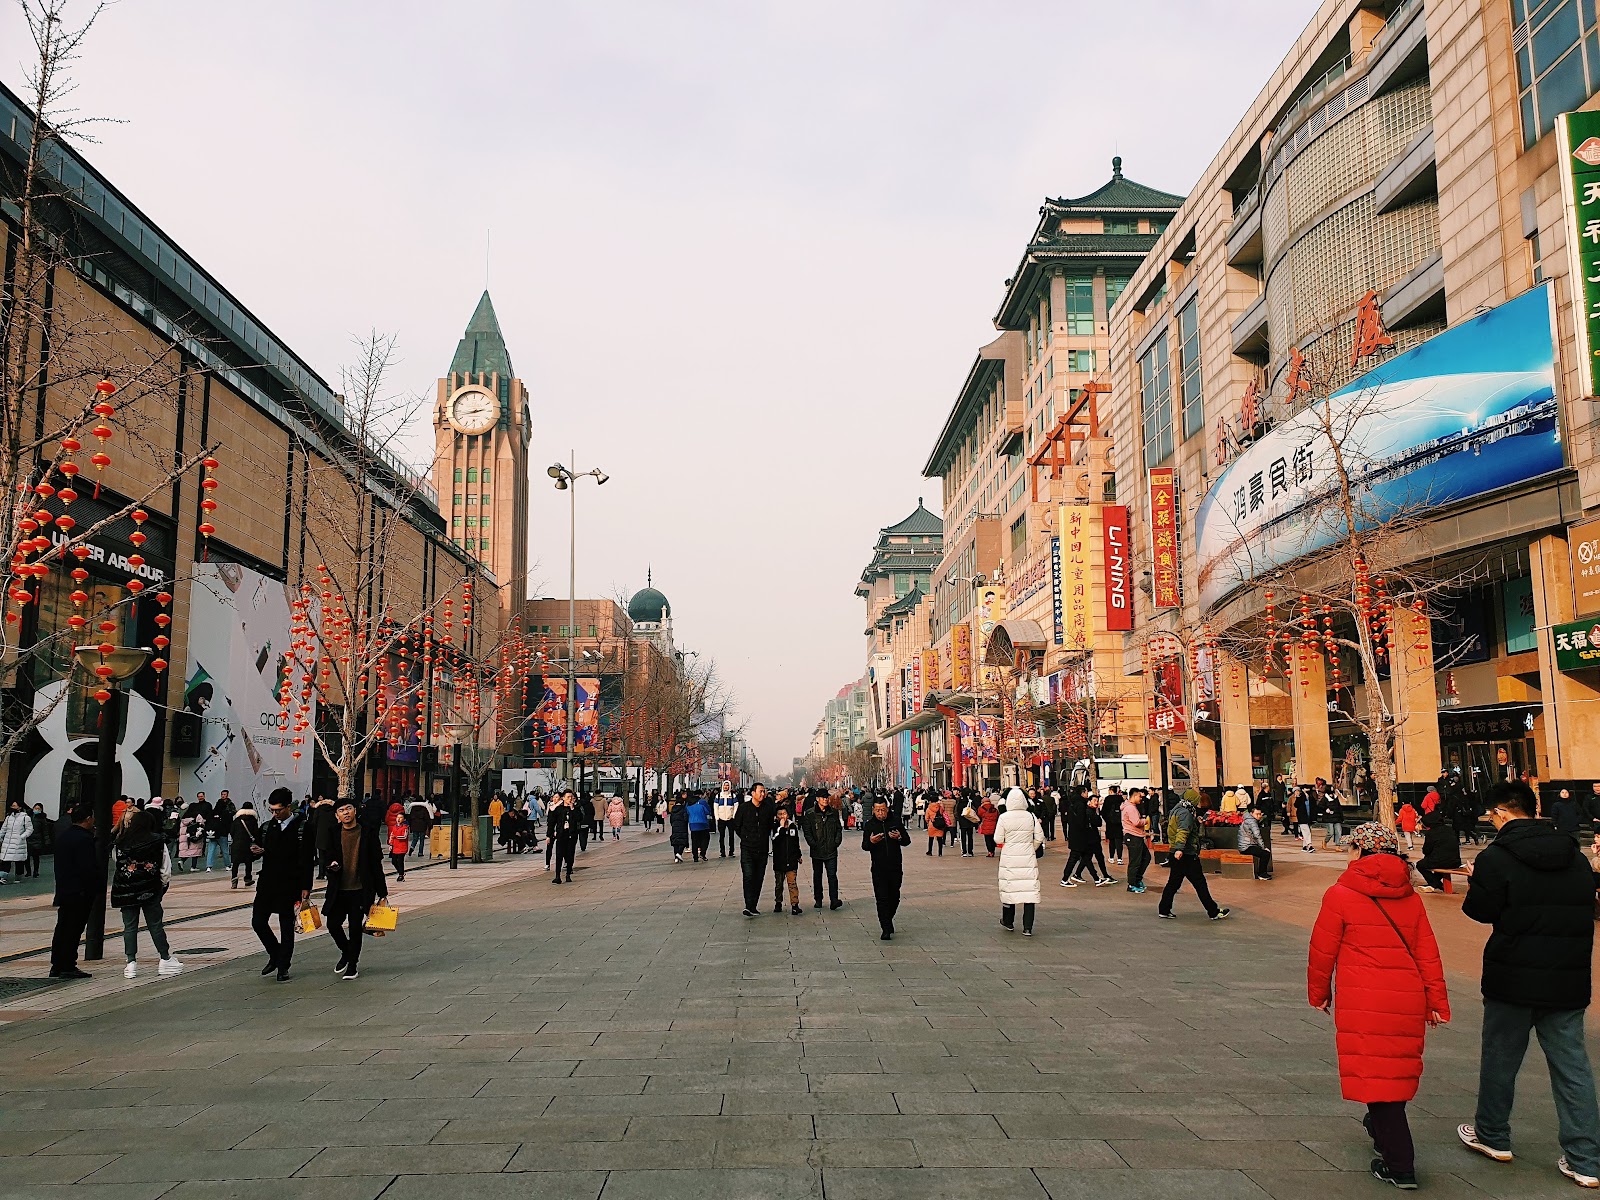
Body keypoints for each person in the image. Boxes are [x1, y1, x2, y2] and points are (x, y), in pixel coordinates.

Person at [1457, 780, 1600, 1187]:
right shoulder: (1573, 855)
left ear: (1501, 813)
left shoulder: (1495, 858)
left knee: (1501, 1059)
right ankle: (1586, 1160)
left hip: (1513, 976)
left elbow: (1480, 911)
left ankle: (1493, 1136)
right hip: (1567, 979)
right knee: (1574, 1069)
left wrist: (1475, 880)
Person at [1308, 821, 1450, 1190]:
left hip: (1364, 999)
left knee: (1380, 1080)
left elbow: (1323, 951)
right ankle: (1379, 1129)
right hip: (1406, 997)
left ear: (1360, 851)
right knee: (1391, 1073)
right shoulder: (1410, 895)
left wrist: (1319, 993)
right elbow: (1426, 952)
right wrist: (1436, 1000)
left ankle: (1400, 1164)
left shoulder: (1340, 894)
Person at [319, 798, 388, 980]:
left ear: (355, 811)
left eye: (349, 808)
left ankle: (352, 965)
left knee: (355, 928)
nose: (346, 812)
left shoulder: (368, 832)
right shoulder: (333, 832)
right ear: (337, 816)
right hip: (339, 889)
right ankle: (346, 952)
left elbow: (376, 863)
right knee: (332, 924)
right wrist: (331, 864)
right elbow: (326, 856)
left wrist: (382, 892)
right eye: (341, 810)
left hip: (360, 889)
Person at [110, 806, 183, 979]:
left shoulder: (120, 841)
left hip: (125, 889)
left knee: (129, 926)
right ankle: (165, 958)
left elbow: (116, 861)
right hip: (150, 888)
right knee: (155, 924)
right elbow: (165, 869)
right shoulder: (158, 841)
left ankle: (131, 963)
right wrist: (162, 887)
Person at [250, 787, 313, 982]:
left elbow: (308, 858)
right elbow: (256, 851)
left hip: (291, 882)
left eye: (278, 810)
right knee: (258, 922)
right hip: (268, 881)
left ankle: (283, 965)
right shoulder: (268, 827)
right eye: (272, 810)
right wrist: (254, 851)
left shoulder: (303, 826)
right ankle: (275, 954)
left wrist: (306, 887)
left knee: (286, 926)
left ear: (288, 807)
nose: (275, 814)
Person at [1157, 790, 1230, 921]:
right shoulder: (1186, 813)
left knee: (1173, 883)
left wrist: (1195, 820)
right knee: (1199, 883)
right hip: (1186, 854)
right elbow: (1183, 831)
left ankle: (1164, 909)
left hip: (1178, 853)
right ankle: (1213, 911)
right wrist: (1180, 849)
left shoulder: (1178, 809)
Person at [49, 803, 99, 980]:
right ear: (87, 819)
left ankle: (57, 964)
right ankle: (68, 965)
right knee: (73, 929)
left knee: (62, 927)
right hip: (80, 892)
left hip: (64, 889)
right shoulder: (84, 839)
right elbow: (88, 869)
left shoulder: (64, 836)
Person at [995, 787, 1044, 936]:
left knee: (1010, 889)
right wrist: (1031, 847)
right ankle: (1027, 927)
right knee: (1029, 892)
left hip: (1009, 857)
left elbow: (998, 838)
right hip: (1028, 856)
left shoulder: (1004, 817)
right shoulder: (1031, 816)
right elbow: (1039, 837)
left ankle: (1008, 921)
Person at [860, 796, 907, 940]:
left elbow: (907, 841)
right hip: (878, 868)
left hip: (895, 867)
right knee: (882, 898)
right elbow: (865, 846)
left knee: (895, 896)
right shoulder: (870, 825)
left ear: (887, 809)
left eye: (883, 810)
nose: (880, 813)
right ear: (873, 810)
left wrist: (899, 837)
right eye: (877, 810)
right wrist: (871, 841)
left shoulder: (895, 821)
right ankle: (885, 928)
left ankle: (888, 918)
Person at [734, 783, 776, 917]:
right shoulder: (743, 808)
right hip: (747, 848)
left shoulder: (768, 809)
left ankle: (753, 905)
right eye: (760, 791)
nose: (762, 794)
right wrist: (746, 837)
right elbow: (737, 826)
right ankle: (748, 905)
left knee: (759, 877)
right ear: (753, 793)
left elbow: (770, 826)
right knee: (748, 876)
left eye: (764, 792)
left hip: (762, 849)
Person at [800, 790, 844, 910]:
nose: (825, 799)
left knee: (832, 876)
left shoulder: (833, 813)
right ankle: (818, 899)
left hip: (831, 849)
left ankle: (834, 900)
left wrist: (836, 842)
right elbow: (807, 831)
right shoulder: (810, 814)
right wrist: (812, 844)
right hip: (817, 850)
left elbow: (839, 829)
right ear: (817, 799)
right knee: (817, 876)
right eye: (823, 797)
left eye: (826, 797)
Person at [1061, 787, 1108, 887]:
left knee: (1086, 857)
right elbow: (1082, 821)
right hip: (1080, 835)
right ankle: (1065, 879)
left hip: (1074, 834)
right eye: (1087, 792)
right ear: (1082, 793)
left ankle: (1096, 879)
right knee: (1075, 858)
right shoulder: (1081, 805)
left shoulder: (1072, 803)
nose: (1087, 794)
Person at [1415, 794, 1462, 892]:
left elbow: (1426, 850)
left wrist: (1427, 855)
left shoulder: (1432, 833)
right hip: (1455, 860)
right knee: (1440, 863)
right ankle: (1435, 884)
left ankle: (1436, 884)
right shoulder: (1449, 829)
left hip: (1440, 860)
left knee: (1420, 865)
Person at [771, 805, 803, 914]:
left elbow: (796, 842)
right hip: (779, 861)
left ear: (788, 815)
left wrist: (798, 855)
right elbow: (775, 840)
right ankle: (778, 902)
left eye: (784, 814)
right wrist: (780, 828)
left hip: (792, 860)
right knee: (779, 884)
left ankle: (795, 904)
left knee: (792, 883)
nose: (782, 816)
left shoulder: (792, 826)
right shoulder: (775, 827)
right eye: (779, 814)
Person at [1237, 803, 1273, 880]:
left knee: (1262, 853)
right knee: (1265, 854)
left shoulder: (1248, 819)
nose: (1259, 816)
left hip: (1245, 845)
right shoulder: (1252, 822)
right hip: (1246, 846)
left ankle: (1262, 873)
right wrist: (1263, 847)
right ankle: (1262, 874)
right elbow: (1257, 835)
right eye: (1257, 814)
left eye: (1260, 814)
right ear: (1251, 813)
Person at [550, 792, 580, 883]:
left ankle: (568, 874)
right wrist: (549, 835)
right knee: (559, 855)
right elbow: (552, 822)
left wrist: (572, 809)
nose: (570, 799)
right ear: (563, 798)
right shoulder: (559, 809)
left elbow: (579, 818)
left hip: (571, 835)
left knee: (570, 855)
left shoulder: (575, 809)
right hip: (561, 834)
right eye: (568, 797)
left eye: (571, 797)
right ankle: (557, 876)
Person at [1, 798, 33, 882]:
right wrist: (1, 837)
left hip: (19, 843)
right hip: (7, 842)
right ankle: (3, 877)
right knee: (5, 860)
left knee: (19, 860)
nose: (13, 807)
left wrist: (22, 837)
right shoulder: (8, 817)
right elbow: (3, 829)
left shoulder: (25, 817)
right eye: (12, 805)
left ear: (20, 807)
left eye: (15, 806)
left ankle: (18, 877)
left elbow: (29, 829)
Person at [230, 800, 260, 889]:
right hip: (247, 845)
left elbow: (232, 831)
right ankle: (247, 879)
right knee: (248, 862)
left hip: (236, 844)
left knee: (235, 863)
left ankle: (234, 881)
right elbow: (256, 833)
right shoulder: (253, 820)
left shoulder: (237, 820)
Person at [714, 781, 739, 858]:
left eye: (727, 785)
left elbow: (736, 805)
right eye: (725, 785)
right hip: (721, 819)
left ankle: (731, 851)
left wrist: (734, 815)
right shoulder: (718, 796)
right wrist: (717, 817)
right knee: (722, 836)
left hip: (730, 819)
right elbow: (715, 806)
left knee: (731, 836)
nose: (726, 787)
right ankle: (722, 852)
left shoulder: (732, 795)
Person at [26, 802, 51, 878]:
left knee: (36, 857)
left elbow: (45, 831)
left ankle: (35, 871)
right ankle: (28, 871)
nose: (36, 810)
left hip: (37, 840)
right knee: (26, 857)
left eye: (38, 809)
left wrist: (47, 840)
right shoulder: (28, 817)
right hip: (28, 839)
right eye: (35, 808)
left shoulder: (42, 819)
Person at [686, 791, 713, 861]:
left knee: (694, 840)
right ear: (700, 795)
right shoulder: (702, 802)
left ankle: (695, 857)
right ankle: (702, 853)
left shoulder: (688, 803)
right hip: (703, 823)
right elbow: (708, 811)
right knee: (705, 838)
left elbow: (686, 812)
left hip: (692, 824)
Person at [1103, 787, 1125, 865]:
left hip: (1110, 824)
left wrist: (1107, 820)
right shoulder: (1120, 799)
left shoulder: (1107, 799)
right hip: (1119, 823)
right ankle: (1120, 858)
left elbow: (1103, 812)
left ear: (1111, 791)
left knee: (1111, 841)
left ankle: (1111, 857)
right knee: (1119, 840)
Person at [667, 794, 690, 863]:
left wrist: (673, 824)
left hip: (675, 826)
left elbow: (671, 819)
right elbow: (686, 818)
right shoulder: (683, 809)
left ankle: (676, 856)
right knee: (683, 841)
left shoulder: (673, 809)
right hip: (682, 826)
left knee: (675, 841)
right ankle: (679, 853)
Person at [956, 792, 979, 857]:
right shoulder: (970, 803)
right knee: (970, 837)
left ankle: (964, 851)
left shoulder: (959, 803)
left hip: (962, 823)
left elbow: (957, 812)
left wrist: (959, 819)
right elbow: (975, 811)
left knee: (963, 838)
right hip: (970, 822)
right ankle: (970, 851)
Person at [387, 814, 409, 881]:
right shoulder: (394, 827)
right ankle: (400, 872)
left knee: (400, 861)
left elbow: (404, 836)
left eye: (401, 817)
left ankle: (401, 875)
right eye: (398, 817)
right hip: (395, 846)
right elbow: (391, 835)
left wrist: (396, 837)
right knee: (394, 861)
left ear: (404, 819)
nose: (399, 819)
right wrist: (391, 844)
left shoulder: (405, 827)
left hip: (402, 847)